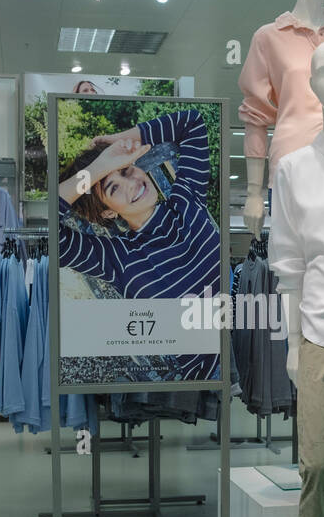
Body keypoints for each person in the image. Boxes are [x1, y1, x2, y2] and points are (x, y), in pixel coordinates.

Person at [56, 108, 220, 380]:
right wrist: (99, 168)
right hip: (210, 375)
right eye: (113, 188)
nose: (131, 184)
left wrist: (117, 140)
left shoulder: (186, 198)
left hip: (249, 340)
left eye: (126, 170)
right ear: (108, 212)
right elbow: (49, 231)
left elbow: (192, 122)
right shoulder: (116, 257)